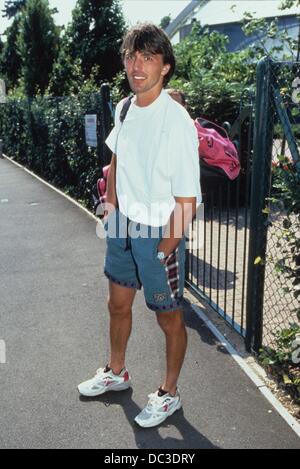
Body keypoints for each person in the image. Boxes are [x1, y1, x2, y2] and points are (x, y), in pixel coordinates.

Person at [78, 23, 201, 428]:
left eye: (148, 57)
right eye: (132, 56)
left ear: (165, 66)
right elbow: (117, 161)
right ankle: (117, 372)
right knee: (117, 304)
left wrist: (165, 249)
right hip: (122, 227)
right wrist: (110, 206)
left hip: (157, 233)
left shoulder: (177, 121)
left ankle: (169, 393)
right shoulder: (125, 107)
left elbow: (187, 201)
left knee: (168, 316)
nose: (137, 65)